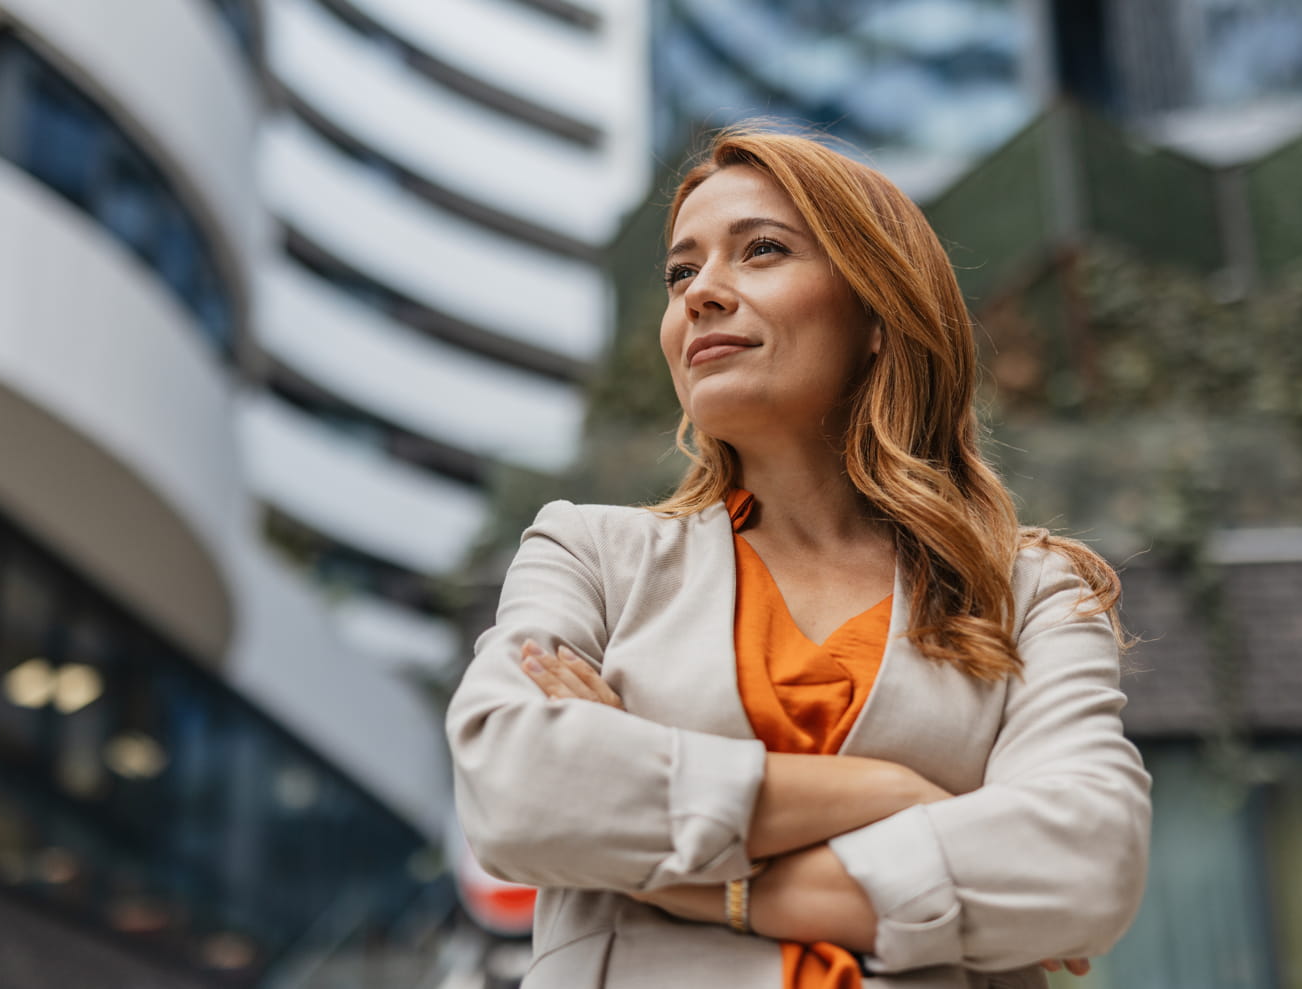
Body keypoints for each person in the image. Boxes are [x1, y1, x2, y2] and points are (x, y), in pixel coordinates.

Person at [445, 125, 1152, 989]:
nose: (702, 291)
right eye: (681, 271)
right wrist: (895, 797)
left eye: (763, 250)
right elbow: (513, 791)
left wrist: (715, 881)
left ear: (877, 316)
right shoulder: (591, 556)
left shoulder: (1034, 594)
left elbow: (1087, 862)